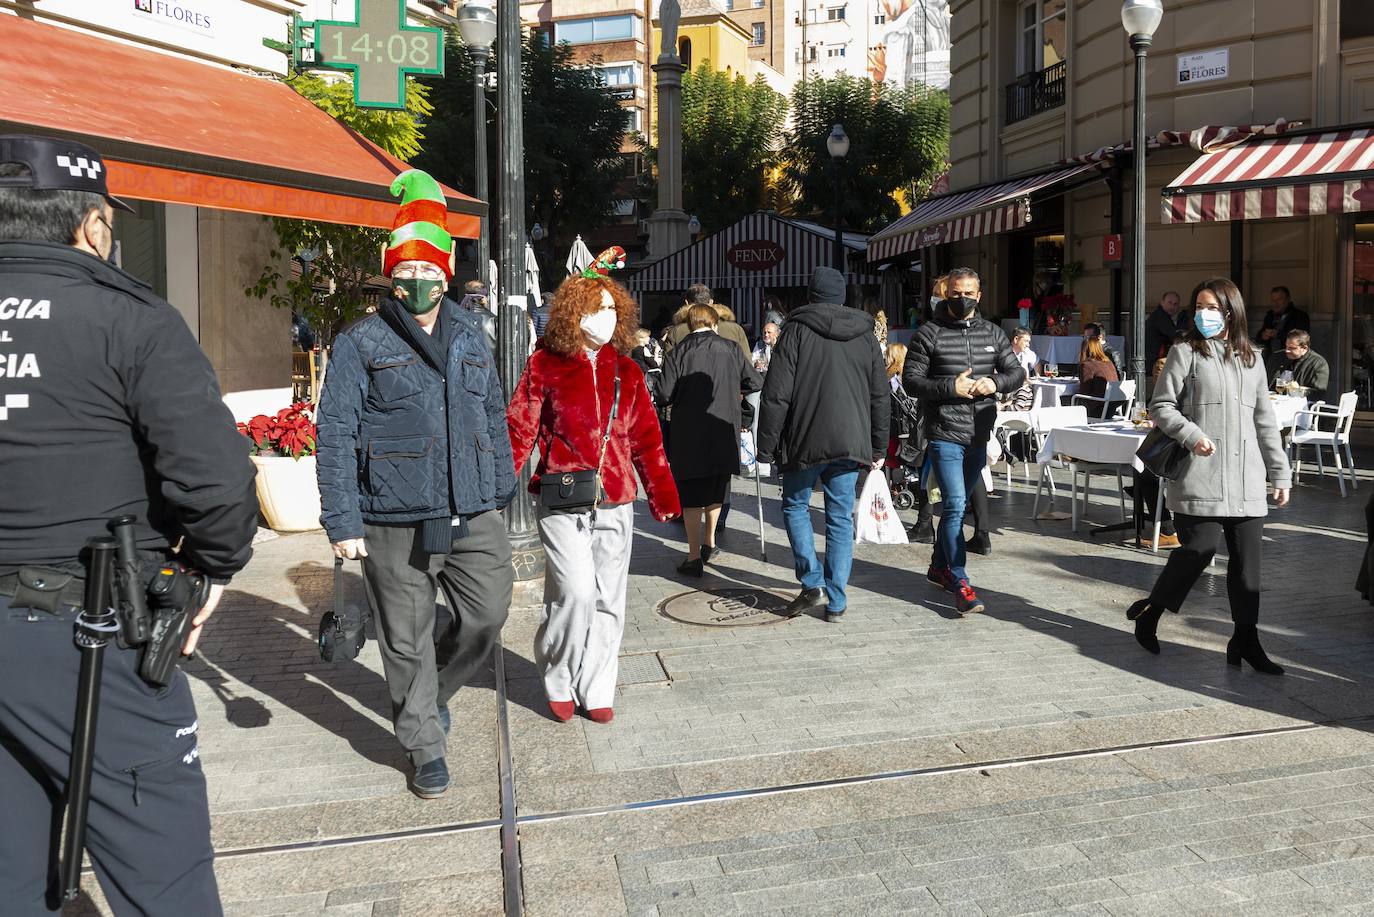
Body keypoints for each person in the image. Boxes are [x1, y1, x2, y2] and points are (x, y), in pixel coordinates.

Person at [0, 135, 259, 912]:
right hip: (87, 636)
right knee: (164, 872)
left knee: (12, 867)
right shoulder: (130, 318)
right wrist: (205, 569)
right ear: (89, 225)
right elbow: (216, 486)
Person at [317, 170, 516, 800]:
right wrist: (343, 521)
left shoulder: (472, 335)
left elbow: (492, 414)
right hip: (392, 517)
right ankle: (423, 743)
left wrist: (502, 483)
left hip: (471, 508)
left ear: (447, 271)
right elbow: (336, 431)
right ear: (390, 275)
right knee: (404, 637)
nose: (417, 284)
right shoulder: (361, 342)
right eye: (405, 275)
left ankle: (432, 694)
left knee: (486, 617)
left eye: (428, 271)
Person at [507, 261, 680, 725]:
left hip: (617, 498)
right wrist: (497, 485)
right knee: (576, 591)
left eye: (609, 308)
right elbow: (519, 427)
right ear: (572, 315)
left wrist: (662, 494)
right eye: (594, 308)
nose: (603, 316)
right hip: (562, 496)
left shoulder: (628, 370)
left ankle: (597, 684)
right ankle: (559, 672)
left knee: (609, 598)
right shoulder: (545, 363)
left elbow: (647, 438)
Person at [1127, 278, 1292, 672]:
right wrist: (1192, 434)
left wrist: (1279, 473)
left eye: (1212, 307)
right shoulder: (1186, 351)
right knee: (1197, 551)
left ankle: (1246, 641)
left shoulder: (1252, 357)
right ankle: (1153, 611)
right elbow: (1161, 406)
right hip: (1199, 473)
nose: (1204, 314)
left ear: (1231, 311)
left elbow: (1265, 421)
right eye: (1199, 306)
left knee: (1247, 566)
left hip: (1247, 477)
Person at [756, 267, 889, 623]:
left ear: (811, 296)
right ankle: (837, 598)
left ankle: (812, 581)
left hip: (804, 437)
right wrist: (879, 446)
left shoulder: (795, 331)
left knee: (795, 505)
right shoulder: (865, 335)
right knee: (840, 517)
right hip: (851, 438)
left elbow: (776, 395)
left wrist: (765, 447)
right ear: (842, 296)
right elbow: (880, 395)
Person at [904, 267, 1022, 615]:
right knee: (955, 505)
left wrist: (995, 383)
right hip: (944, 432)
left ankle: (938, 566)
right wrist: (948, 387)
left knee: (958, 504)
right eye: (955, 293)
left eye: (969, 292)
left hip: (979, 431)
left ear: (979, 295)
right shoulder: (929, 333)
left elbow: (1017, 373)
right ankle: (960, 581)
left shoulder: (994, 333)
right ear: (945, 294)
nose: (962, 298)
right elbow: (911, 381)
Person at [659, 304, 763, 575]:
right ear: (714, 323)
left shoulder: (678, 351)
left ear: (690, 325)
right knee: (718, 487)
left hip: (688, 431)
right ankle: (710, 542)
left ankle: (694, 556)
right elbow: (755, 381)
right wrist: (734, 389)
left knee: (692, 495)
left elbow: (664, 393)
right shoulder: (730, 348)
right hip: (724, 426)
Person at [665, 283, 750, 358]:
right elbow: (747, 362)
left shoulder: (676, 332)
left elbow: (668, 367)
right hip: (730, 375)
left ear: (686, 302)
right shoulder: (735, 329)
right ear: (711, 302)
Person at [1254, 285, 1310, 372]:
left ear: (1288, 299)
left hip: (1291, 359)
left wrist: (1278, 334)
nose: (1276, 303)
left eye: (1279, 299)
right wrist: (1263, 336)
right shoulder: (1270, 316)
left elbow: (1302, 338)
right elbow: (1259, 338)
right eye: (1273, 300)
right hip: (1272, 358)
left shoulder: (1299, 316)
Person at [1270, 329, 1330, 402]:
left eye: (1292, 348)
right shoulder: (1278, 357)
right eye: (1286, 347)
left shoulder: (1318, 363)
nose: (1287, 351)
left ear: (1304, 348)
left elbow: (1318, 393)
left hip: (1301, 406)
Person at [1078, 326, 1122, 415]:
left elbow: (1084, 392)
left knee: (1069, 401)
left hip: (1097, 408)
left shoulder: (1087, 365)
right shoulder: (1108, 362)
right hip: (1111, 407)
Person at [1144, 290, 1184, 366]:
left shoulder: (1160, 315)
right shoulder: (1160, 317)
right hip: (1153, 363)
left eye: (1175, 304)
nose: (1172, 307)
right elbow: (1175, 337)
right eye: (1169, 303)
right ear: (1162, 302)